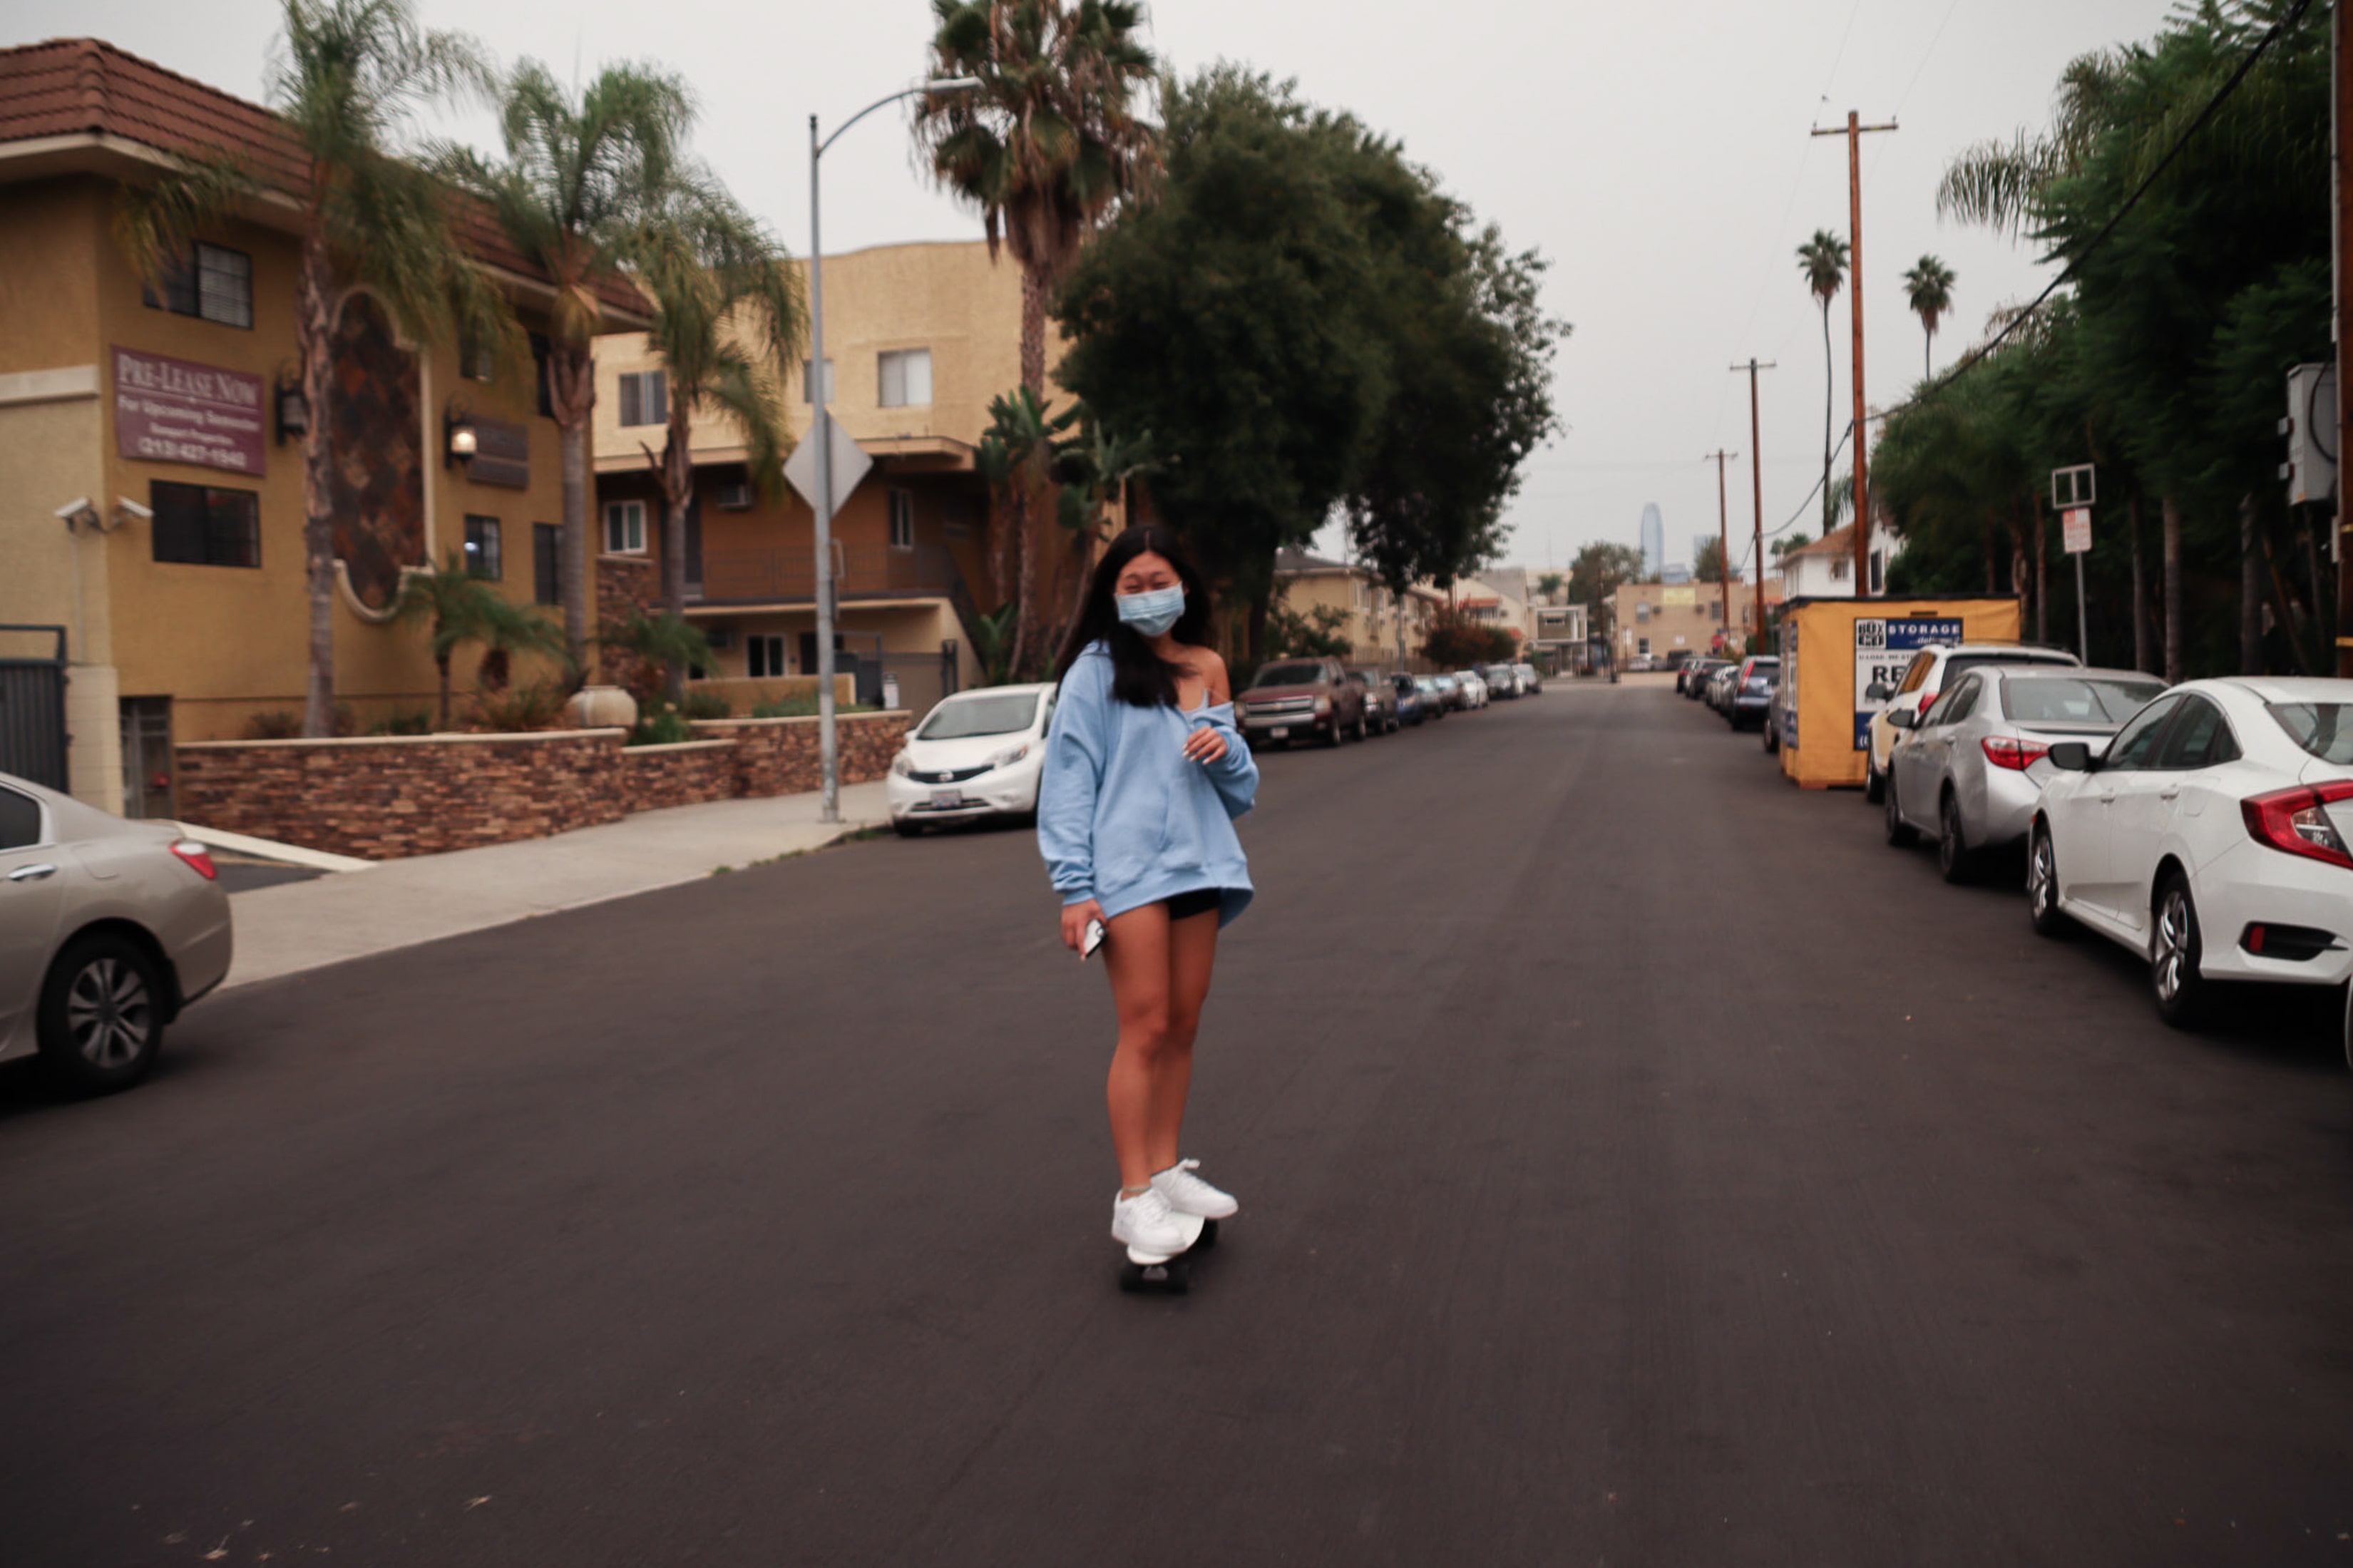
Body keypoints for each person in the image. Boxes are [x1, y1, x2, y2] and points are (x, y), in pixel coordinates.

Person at [1037, 525, 1258, 1261]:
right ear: (1111, 594)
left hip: (1200, 866)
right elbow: (1069, 783)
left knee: (1186, 1024)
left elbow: (1242, 788)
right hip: (1127, 873)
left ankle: (1164, 1171)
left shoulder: (1207, 667)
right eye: (1131, 585)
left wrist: (1225, 748)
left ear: (1184, 587)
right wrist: (1075, 888)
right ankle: (1134, 1197)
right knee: (1147, 1026)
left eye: (1158, 581)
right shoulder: (1092, 674)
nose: (1147, 595)